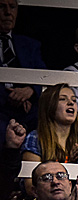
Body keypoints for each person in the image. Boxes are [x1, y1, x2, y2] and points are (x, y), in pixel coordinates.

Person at [0, 0, 45, 146]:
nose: (8, 12)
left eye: (12, 7)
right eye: (2, 7)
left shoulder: (30, 45)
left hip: (28, 110)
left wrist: (30, 90)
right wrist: (12, 97)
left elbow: (44, 75)